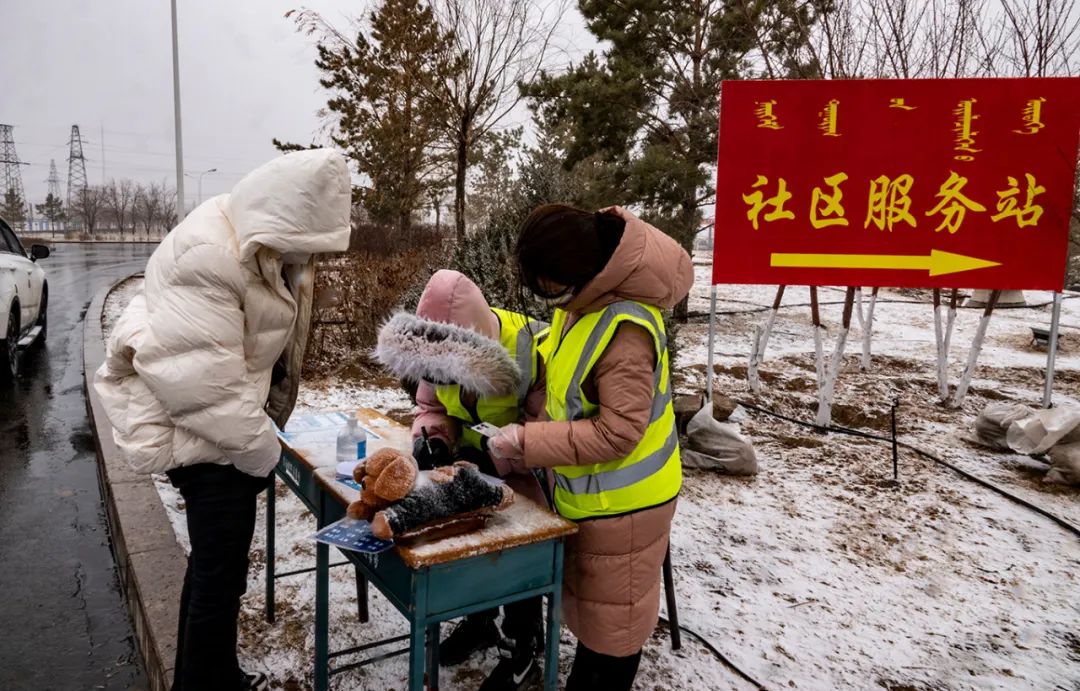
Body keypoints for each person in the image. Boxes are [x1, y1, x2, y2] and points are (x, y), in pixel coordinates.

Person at [94, 149, 352, 691]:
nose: (308, 259)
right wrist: (263, 450)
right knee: (218, 575)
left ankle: (208, 674)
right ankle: (204, 682)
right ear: (289, 215)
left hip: (218, 433)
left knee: (216, 571)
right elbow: (204, 385)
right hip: (204, 440)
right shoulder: (213, 255)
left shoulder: (252, 239)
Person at [488, 204, 693, 691]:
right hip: (592, 497)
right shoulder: (584, 307)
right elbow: (562, 382)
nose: (548, 297)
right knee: (595, 622)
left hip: (628, 506)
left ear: (580, 271)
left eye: (549, 284)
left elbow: (619, 432)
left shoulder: (625, 329)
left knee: (613, 636)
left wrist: (527, 440)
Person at [374, 269, 549, 691]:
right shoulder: (431, 352)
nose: (439, 381)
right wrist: (431, 439)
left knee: (515, 552)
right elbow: (430, 408)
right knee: (468, 550)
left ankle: (523, 648)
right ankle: (479, 621)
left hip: (532, 477)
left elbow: (546, 429)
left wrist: (501, 458)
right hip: (470, 467)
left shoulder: (532, 350)